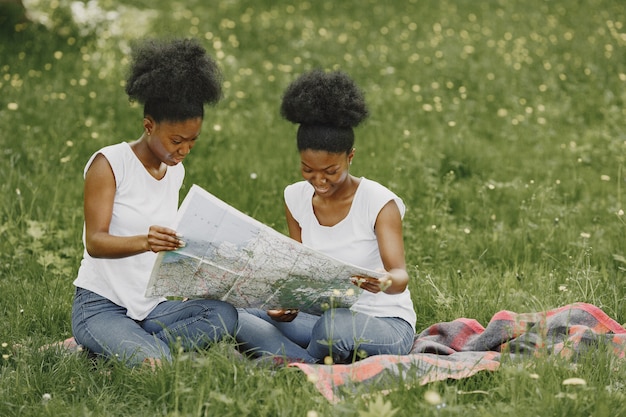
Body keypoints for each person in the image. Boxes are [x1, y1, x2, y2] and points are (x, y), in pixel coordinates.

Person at [71, 38, 238, 367]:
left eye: (192, 141)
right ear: (149, 126)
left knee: (224, 316)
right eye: (176, 141)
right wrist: (146, 241)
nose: (184, 150)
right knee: (157, 364)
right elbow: (95, 242)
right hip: (100, 305)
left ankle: (114, 351)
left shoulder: (174, 172)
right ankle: (130, 346)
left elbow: (166, 246)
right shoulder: (110, 164)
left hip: (150, 306)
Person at [236, 69, 416, 364]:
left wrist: (382, 281)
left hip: (384, 323)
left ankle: (292, 362)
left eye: (331, 171)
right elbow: (299, 270)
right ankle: (309, 362)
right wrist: (286, 305)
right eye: (308, 169)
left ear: (350, 157)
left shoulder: (379, 202)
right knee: (237, 314)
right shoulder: (295, 197)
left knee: (333, 327)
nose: (319, 181)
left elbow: (400, 277)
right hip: (317, 319)